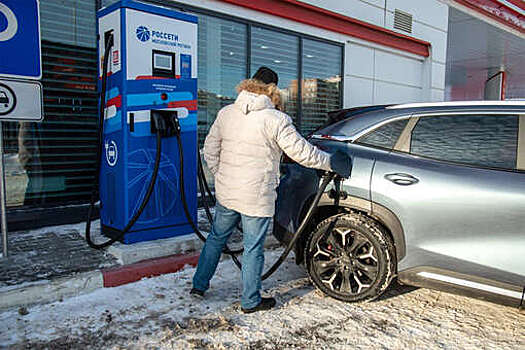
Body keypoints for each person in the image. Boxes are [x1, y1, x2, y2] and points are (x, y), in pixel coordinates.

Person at [191, 66, 351, 313]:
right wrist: (330, 161)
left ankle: (199, 285)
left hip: (228, 192)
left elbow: (210, 151)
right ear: (273, 90)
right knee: (253, 247)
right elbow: (302, 153)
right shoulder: (276, 119)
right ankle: (250, 301)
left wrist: (221, 176)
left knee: (216, 238)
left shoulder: (226, 113)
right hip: (256, 197)